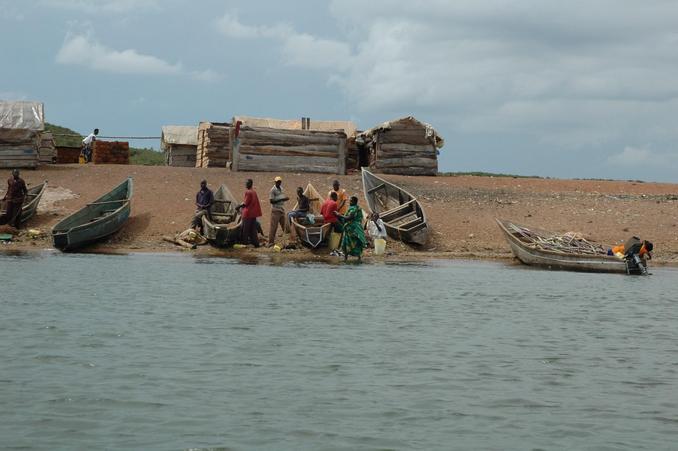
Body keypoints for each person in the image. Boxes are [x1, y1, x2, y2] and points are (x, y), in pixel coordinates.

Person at [335, 196, 368, 262]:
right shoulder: (356, 208)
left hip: (353, 228)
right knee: (350, 241)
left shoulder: (354, 209)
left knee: (352, 241)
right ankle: (352, 257)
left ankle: (351, 257)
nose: (349, 202)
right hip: (352, 227)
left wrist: (339, 215)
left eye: (351, 201)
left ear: (354, 202)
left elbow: (349, 217)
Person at [236, 178, 262, 247]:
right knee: (253, 230)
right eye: (246, 183)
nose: (246, 184)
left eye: (247, 183)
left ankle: (244, 243)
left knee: (245, 230)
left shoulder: (248, 192)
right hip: (253, 214)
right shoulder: (254, 192)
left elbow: (245, 203)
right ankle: (256, 243)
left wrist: (238, 206)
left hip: (247, 214)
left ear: (250, 184)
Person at [268, 176, 289, 247]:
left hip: (282, 209)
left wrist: (284, 199)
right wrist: (282, 199)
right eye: (277, 182)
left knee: (285, 226)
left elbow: (282, 198)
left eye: (279, 182)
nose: (278, 183)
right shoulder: (272, 190)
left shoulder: (282, 189)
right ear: (275, 182)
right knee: (273, 227)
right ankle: (270, 242)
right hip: (275, 209)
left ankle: (288, 240)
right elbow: (271, 201)